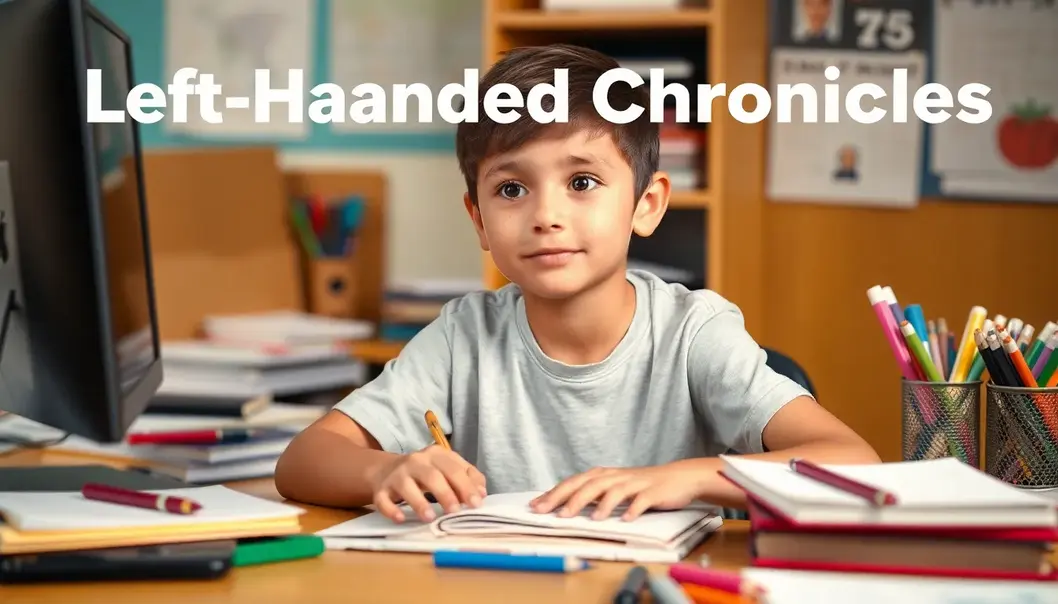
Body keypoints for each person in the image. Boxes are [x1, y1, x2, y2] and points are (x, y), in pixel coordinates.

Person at [274, 44, 880, 523]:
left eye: (582, 182)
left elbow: (854, 460)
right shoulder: (464, 336)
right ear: (479, 219)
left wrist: (692, 477)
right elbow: (302, 462)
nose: (545, 215)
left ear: (646, 204)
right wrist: (385, 471)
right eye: (511, 189)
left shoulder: (694, 332)